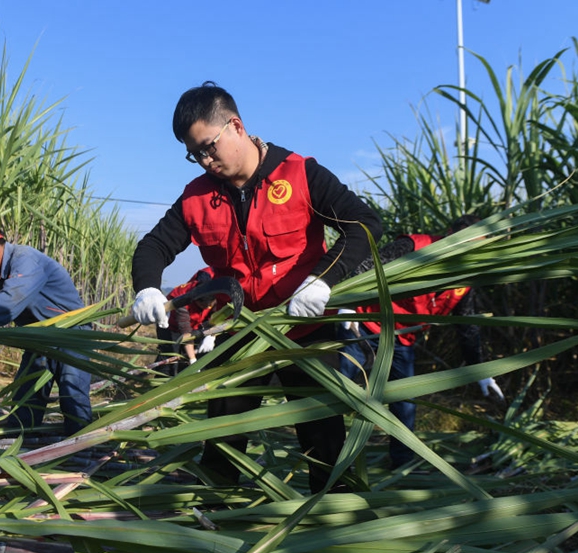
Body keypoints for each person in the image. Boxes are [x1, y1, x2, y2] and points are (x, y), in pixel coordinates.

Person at [129, 81, 383, 493]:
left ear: (236, 126)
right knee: (222, 439)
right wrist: (147, 288)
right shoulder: (196, 197)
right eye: (195, 155)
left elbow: (364, 225)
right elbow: (153, 246)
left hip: (303, 329)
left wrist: (322, 280)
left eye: (209, 148)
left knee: (323, 440)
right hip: (240, 329)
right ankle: (214, 518)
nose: (205, 162)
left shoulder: (300, 174)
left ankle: (334, 521)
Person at [336, 215, 504, 469]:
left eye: (476, 245)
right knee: (340, 386)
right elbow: (370, 264)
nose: (468, 249)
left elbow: (467, 327)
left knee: (405, 402)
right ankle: (329, 454)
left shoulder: (464, 282)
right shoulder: (415, 246)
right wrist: (349, 303)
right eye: (465, 242)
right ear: (449, 235)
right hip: (365, 323)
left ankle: (402, 465)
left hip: (402, 338)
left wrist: (481, 373)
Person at [0, 224, 92, 434]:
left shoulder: (25, 259)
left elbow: (10, 301)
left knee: (72, 394)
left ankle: (82, 447)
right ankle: (21, 443)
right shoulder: (3, 272)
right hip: (41, 338)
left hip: (71, 334)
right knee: (25, 399)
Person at [155, 268, 219, 376]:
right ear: (196, 300)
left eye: (210, 305)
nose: (207, 308)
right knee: (170, 357)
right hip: (170, 326)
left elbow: (219, 313)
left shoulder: (215, 286)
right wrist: (193, 361)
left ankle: (184, 380)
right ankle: (161, 382)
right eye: (203, 306)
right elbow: (186, 335)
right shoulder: (182, 302)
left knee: (190, 357)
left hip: (196, 325)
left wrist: (212, 335)